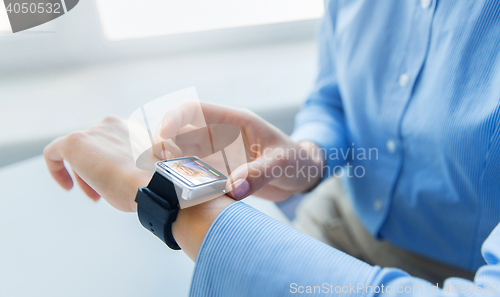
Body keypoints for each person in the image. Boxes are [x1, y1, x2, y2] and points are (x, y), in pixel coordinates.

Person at [43, 0, 500, 295]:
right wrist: (309, 156)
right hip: (334, 214)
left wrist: (169, 201)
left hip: (455, 274)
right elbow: (332, 97)